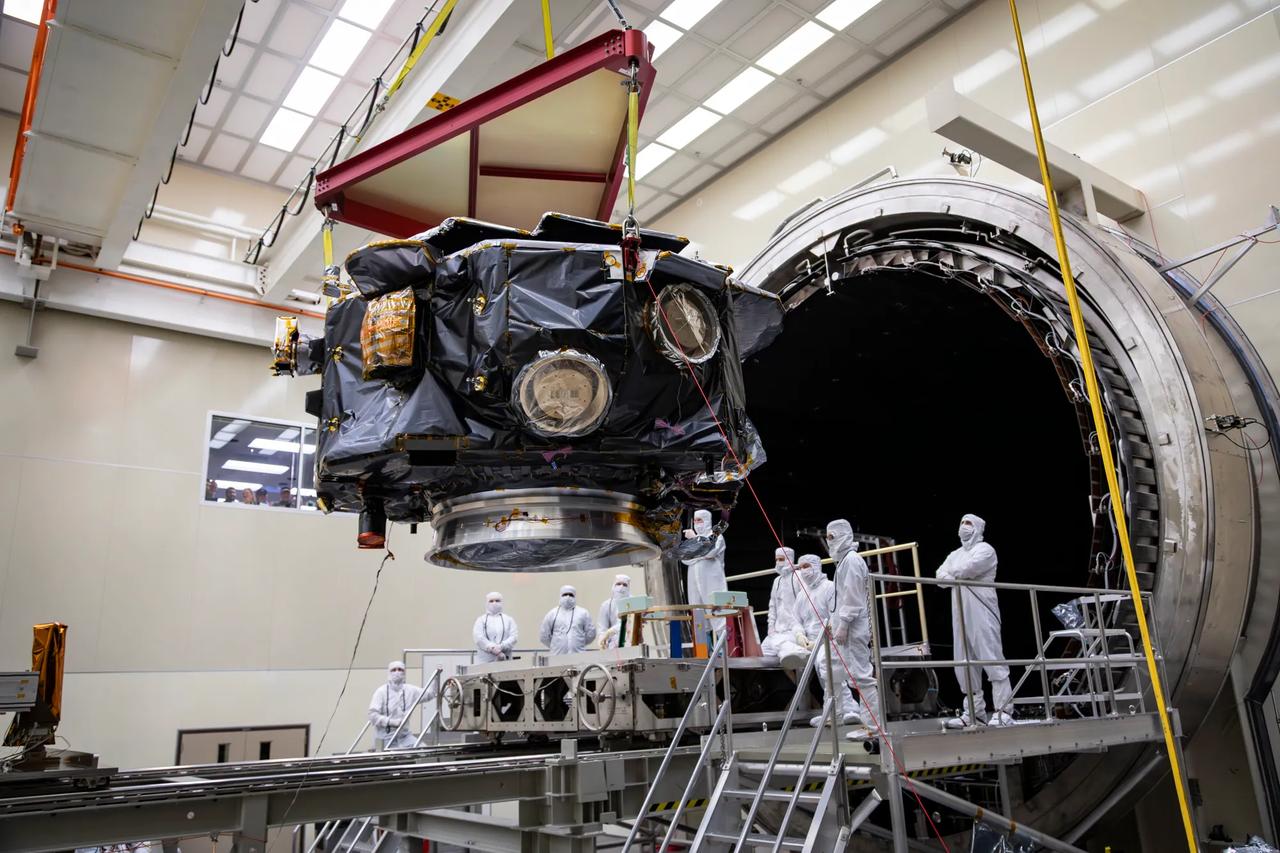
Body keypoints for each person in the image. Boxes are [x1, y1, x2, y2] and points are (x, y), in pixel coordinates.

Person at [936, 513, 1013, 728]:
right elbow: (939, 577)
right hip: (960, 613)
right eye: (961, 522)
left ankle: (1003, 710)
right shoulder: (955, 553)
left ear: (978, 527)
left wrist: (953, 575)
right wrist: (954, 575)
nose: (963, 527)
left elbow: (966, 569)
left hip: (983, 611)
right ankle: (974, 713)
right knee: (964, 662)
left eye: (968, 523)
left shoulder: (986, 550)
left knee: (991, 657)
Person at [827, 519, 881, 735]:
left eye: (832, 537)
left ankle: (874, 728)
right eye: (827, 537)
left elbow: (852, 597)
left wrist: (844, 624)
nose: (829, 541)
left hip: (854, 628)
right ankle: (869, 726)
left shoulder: (851, 561)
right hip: (850, 627)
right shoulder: (845, 562)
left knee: (862, 677)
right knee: (856, 677)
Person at [791, 553, 858, 727]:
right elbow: (796, 620)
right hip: (809, 643)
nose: (803, 571)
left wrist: (820, 640)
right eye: (800, 568)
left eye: (806, 566)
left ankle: (845, 710)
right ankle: (842, 709)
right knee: (825, 672)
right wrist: (799, 635)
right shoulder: (802, 595)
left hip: (829, 641)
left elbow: (834, 620)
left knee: (826, 666)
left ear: (816, 566)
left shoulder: (829, 588)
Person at [681, 509, 727, 638]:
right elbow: (685, 558)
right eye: (695, 520)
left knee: (718, 615)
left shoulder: (716, 535)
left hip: (712, 583)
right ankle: (704, 653)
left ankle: (725, 652)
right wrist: (700, 552)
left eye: (699, 520)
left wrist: (696, 542)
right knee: (698, 617)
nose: (697, 523)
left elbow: (710, 552)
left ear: (707, 520)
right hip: (694, 583)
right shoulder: (692, 540)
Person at [367, 661, 435, 749]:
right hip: (385, 737)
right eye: (394, 670)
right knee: (393, 759)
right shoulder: (381, 692)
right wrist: (390, 722)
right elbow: (372, 715)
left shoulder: (410, 690)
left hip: (404, 737)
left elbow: (429, 694)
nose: (397, 672)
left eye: (400, 669)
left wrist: (436, 678)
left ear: (404, 673)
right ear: (389, 673)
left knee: (423, 750)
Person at [760, 547, 808, 668]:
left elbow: (806, 603)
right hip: (777, 631)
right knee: (762, 651)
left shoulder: (798, 576)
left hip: (795, 630)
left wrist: (801, 628)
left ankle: (798, 651)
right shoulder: (777, 580)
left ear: (789, 559)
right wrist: (771, 626)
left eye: (781, 559)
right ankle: (792, 651)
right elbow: (772, 606)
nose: (778, 563)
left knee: (779, 644)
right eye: (776, 560)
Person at [539, 585, 597, 655]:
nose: (568, 597)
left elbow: (591, 633)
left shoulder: (583, 613)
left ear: (574, 596)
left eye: (570, 595)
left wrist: (580, 642)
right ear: (560, 596)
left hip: (578, 655)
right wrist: (554, 645)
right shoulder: (552, 614)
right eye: (565, 594)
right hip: (557, 655)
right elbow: (544, 635)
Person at [473, 591, 518, 662]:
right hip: (485, 659)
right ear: (486, 603)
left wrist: (501, 646)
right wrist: (492, 648)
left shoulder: (509, 620)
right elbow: (478, 638)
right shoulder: (480, 620)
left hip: (505, 658)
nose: (494, 603)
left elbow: (514, 637)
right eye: (491, 601)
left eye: (497, 601)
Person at [597, 574, 631, 649]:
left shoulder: (633, 603)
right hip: (612, 646)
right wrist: (601, 640)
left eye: (624, 585)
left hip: (630, 643)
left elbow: (628, 623)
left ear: (628, 588)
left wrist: (610, 631)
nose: (621, 587)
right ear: (613, 586)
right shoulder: (606, 605)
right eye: (618, 584)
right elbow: (602, 627)